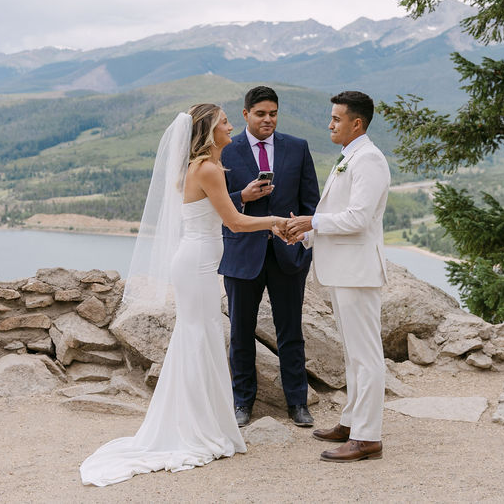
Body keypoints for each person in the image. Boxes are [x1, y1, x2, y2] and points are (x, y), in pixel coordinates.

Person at [80, 104, 287, 487]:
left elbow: (211, 210)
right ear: (209, 130)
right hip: (198, 265)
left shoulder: (201, 168)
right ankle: (195, 428)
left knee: (200, 336)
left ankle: (199, 421)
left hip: (199, 261)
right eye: (225, 121)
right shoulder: (207, 168)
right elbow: (235, 223)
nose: (231, 127)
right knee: (199, 336)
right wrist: (275, 221)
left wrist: (241, 194)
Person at [282, 90, 390, 463]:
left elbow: (359, 219)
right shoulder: (350, 157)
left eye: (336, 119)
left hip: (358, 272)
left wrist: (312, 221)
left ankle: (367, 437)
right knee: (352, 355)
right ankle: (350, 421)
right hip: (344, 270)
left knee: (366, 357)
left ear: (356, 123)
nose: (330, 124)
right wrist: (304, 233)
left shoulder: (370, 160)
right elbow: (339, 213)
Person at [219, 86, 319, 428]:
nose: (268, 120)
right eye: (261, 114)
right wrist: (241, 195)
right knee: (241, 332)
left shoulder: (297, 147)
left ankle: (298, 404)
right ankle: (242, 403)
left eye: (273, 114)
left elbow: (311, 204)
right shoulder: (226, 150)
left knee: (291, 331)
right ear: (246, 114)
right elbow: (210, 202)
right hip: (241, 254)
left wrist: (302, 236)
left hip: (288, 257)